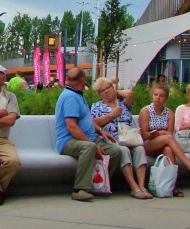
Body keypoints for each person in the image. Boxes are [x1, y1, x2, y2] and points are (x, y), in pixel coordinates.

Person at [138, 83, 190, 196]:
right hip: (148, 144)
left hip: (164, 143)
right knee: (169, 139)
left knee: (168, 149)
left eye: (161, 96)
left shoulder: (169, 113)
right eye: (155, 95)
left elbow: (170, 132)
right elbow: (145, 135)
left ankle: (172, 186)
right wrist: (161, 133)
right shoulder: (145, 111)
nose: (157, 98)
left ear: (166, 98)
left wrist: (160, 134)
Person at [54, 67, 121, 201]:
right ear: (83, 80)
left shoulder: (78, 94)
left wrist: (100, 131)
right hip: (69, 141)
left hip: (87, 138)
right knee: (89, 148)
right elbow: (72, 126)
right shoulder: (70, 97)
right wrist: (92, 144)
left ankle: (98, 184)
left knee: (115, 152)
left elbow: (86, 120)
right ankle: (79, 189)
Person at [90, 77, 151, 199]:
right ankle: (134, 187)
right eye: (103, 90)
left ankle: (141, 185)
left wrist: (117, 92)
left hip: (128, 138)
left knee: (139, 149)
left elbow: (130, 93)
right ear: (99, 94)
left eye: (108, 88)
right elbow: (93, 123)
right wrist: (111, 115)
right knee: (124, 150)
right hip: (110, 140)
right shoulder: (97, 106)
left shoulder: (123, 104)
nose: (107, 91)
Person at [0, 65, 21, 206]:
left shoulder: (10, 96)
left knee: (13, 161)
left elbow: (11, 120)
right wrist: (1, 113)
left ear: (3, 78)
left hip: (1, 140)